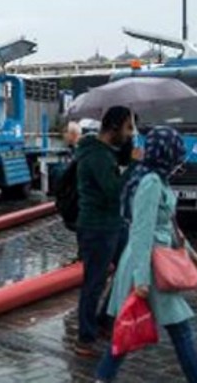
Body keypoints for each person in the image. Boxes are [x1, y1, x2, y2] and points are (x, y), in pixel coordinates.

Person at [94, 126, 197, 383]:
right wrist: (142, 280)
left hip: (151, 262)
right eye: (176, 150)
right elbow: (142, 232)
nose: (180, 156)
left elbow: (168, 224)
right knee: (180, 332)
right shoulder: (151, 182)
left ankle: (102, 379)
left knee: (129, 329)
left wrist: (191, 254)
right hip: (148, 265)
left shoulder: (157, 179)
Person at [74, 105, 134, 357]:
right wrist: (133, 166)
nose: (131, 133)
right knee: (94, 283)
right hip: (97, 226)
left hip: (114, 223)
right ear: (113, 128)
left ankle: (103, 320)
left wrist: (128, 156)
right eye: (128, 128)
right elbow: (112, 190)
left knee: (128, 271)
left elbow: (116, 166)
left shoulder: (106, 152)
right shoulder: (96, 156)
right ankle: (85, 337)